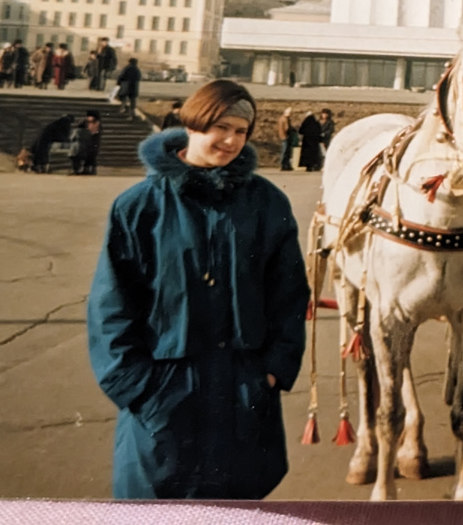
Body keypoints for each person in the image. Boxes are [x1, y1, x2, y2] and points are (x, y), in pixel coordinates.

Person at [87, 80, 309, 499]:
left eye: (241, 131)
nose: (230, 140)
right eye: (220, 127)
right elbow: (111, 306)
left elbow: (290, 295)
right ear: (192, 124)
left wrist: (274, 369)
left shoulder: (267, 204)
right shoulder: (139, 207)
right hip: (165, 397)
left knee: (235, 505)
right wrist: (139, 389)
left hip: (242, 393)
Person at [276, 107, 296, 171]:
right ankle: (284, 165)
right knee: (285, 151)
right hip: (285, 136)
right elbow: (286, 128)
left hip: (285, 136)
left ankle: (287, 165)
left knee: (287, 151)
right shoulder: (284, 119)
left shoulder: (283, 119)